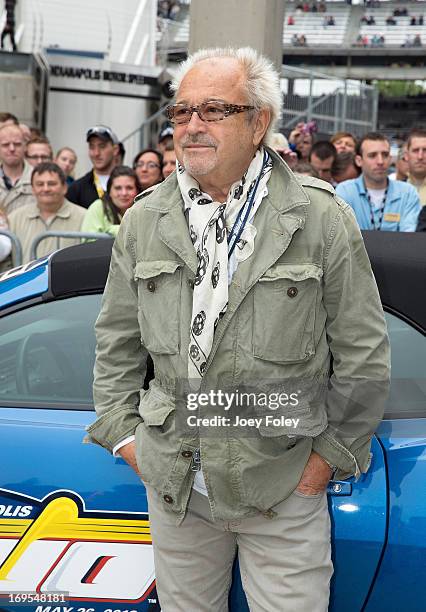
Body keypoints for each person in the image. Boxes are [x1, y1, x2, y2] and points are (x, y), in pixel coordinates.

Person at [87, 46, 390, 612]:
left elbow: (364, 354)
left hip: (281, 483)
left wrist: (326, 458)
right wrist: (129, 441)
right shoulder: (145, 221)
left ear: (259, 123)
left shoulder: (320, 217)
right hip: (177, 485)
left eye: (213, 111)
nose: (192, 126)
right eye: (181, 113)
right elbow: (115, 346)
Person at [336, 132, 421, 231]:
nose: (380, 161)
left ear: (390, 158)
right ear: (359, 161)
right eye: (372, 155)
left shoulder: (408, 193)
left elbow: (409, 237)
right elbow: (341, 236)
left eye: (385, 155)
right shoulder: (345, 191)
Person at [8, 162, 86, 263]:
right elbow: (6, 260)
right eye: (40, 184)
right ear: (33, 189)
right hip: (25, 279)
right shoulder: (14, 218)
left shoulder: (84, 217)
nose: (46, 189)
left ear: (64, 188)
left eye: (51, 184)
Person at [67, 125, 119, 209]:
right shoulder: (76, 188)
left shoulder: (130, 183)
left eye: (102, 146)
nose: (96, 153)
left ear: (115, 150)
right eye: (92, 147)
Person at [81, 166, 140, 237]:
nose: (124, 193)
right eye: (118, 188)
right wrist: (117, 231)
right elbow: (88, 242)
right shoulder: (98, 207)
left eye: (129, 188)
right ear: (109, 191)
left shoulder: (144, 209)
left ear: (137, 191)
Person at [0, 124, 35, 214]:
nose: (12, 149)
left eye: (17, 144)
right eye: (5, 145)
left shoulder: (38, 179)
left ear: (25, 147)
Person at [405, 128, 426, 206]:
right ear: (406, 156)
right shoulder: (392, 189)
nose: (420, 157)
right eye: (416, 150)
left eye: (425, 150)